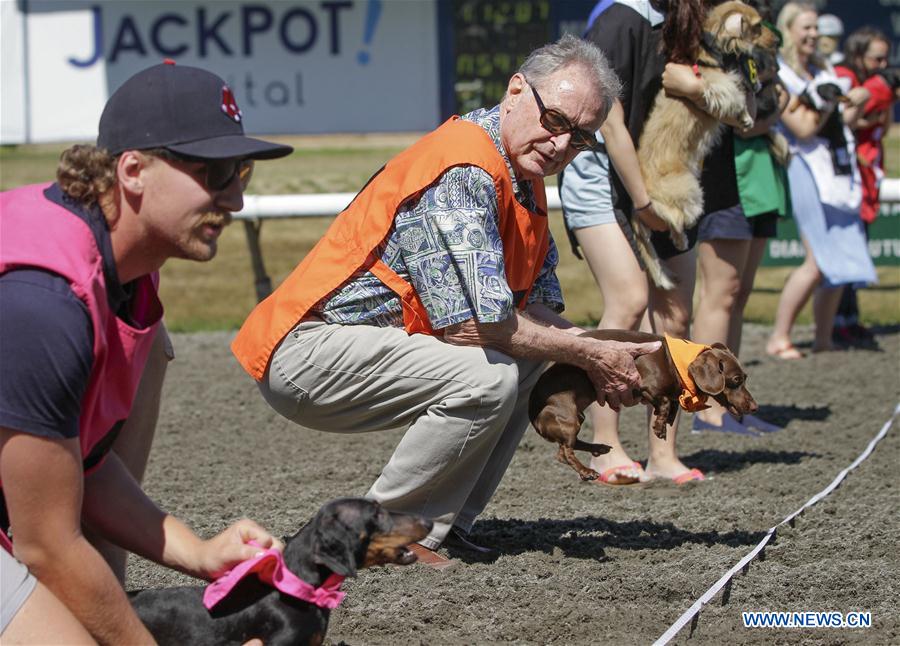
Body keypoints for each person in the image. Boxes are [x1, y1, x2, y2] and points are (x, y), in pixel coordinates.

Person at [232, 35, 661, 567]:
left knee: (529, 359)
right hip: (302, 352)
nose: (559, 144)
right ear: (516, 90)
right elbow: (471, 327)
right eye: (554, 120)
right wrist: (591, 355)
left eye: (580, 138)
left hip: (344, 346)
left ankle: (441, 526)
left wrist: (621, 350)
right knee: (489, 376)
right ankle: (378, 536)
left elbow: (533, 319)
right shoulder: (464, 170)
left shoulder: (519, 174)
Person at [0, 62, 292, 643]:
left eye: (241, 170)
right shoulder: (44, 301)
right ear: (133, 170)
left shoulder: (128, 273)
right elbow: (44, 540)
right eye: (212, 172)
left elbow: (80, 466)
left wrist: (200, 554)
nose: (233, 198)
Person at [558, 0, 750, 483]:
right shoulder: (621, 20)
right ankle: (605, 447)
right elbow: (611, 123)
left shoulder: (684, 23)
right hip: (602, 178)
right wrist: (644, 203)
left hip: (656, 180)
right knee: (627, 302)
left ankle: (663, 454)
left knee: (675, 314)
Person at [691, 4, 793, 435]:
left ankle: (730, 403)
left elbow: (772, 100)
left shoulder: (757, 43)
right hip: (725, 179)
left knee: (738, 292)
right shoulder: (717, 41)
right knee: (721, 293)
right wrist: (776, 106)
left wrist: (775, 97)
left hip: (757, 180)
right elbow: (745, 120)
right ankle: (705, 409)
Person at [765, 3, 876, 360]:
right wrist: (828, 101)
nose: (814, 35)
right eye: (806, 28)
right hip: (803, 166)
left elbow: (845, 121)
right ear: (789, 31)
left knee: (836, 262)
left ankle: (823, 338)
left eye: (816, 28)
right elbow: (803, 127)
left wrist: (857, 99)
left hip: (835, 167)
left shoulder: (823, 68)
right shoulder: (782, 73)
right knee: (816, 260)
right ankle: (779, 336)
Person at [832, 27, 892, 346]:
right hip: (845, 178)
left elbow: (881, 122)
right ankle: (836, 322)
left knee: (858, 250)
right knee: (843, 253)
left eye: (887, 59)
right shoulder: (844, 76)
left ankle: (850, 318)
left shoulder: (872, 82)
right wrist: (877, 92)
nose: (883, 66)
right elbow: (848, 118)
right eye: (876, 58)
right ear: (858, 55)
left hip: (868, 177)